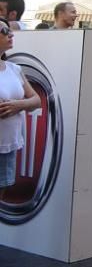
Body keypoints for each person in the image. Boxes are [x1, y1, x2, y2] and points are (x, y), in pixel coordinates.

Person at [0, 17, 42, 192]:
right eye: (4, 31)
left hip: (7, 145)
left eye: (9, 30)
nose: (10, 34)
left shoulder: (13, 69)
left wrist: (18, 105)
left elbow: (36, 100)